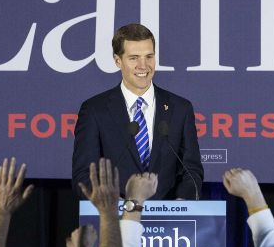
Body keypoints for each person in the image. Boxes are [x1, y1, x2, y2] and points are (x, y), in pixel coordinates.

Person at [72, 23, 203, 200]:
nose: (144, 65)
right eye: (134, 58)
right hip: (116, 220)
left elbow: (192, 170)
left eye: (149, 56)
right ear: (118, 61)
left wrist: (181, 204)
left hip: (169, 219)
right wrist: (114, 204)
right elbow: (84, 175)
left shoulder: (180, 108)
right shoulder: (95, 110)